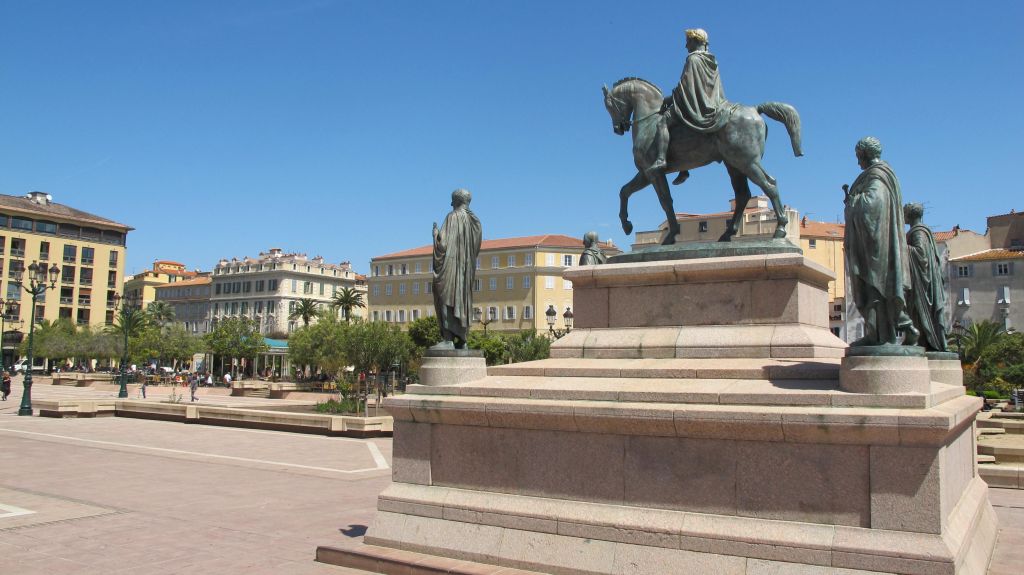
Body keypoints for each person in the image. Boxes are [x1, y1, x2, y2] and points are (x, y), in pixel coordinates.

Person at [843, 137, 918, 347]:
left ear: (865, 154)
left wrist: (852, 202)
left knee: (874, 288)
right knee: (877, 290)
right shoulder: (885, 175)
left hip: (876, 247)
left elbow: (872, 205)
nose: (858, 163)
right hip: (879, 243)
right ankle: (892, 330)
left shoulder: (877, 176)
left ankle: (879, 335)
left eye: (859, 158)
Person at [651, 28, 733, 184]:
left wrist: (669, 99)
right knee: (682, 130)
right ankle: (683, 168)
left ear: (695, 41)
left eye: (688, 41)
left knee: (662, 122)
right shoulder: (711, 60)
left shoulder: (693, 59)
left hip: (696, 103)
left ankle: (661, 159)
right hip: (713, 103)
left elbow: (686, 86)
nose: (686, 46)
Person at [430, 188, 483, 349]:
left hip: (451, 268)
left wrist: (435, 235)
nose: (450, 203)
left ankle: (448, 340)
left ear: (457, 201)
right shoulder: (475, 222)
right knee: (462, 300)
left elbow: (443, 245)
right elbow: (476, 248)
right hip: (466, 271)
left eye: (452, 200)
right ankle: (463, 341)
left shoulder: (452, 217)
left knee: (444, 296)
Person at [904, 203, 949, 351]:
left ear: (910, 215)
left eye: (904, 213)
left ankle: (925, 341)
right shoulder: (924, 231)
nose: (902, 216)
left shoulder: (918, 232)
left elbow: (920, 254)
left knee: (918, 311)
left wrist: (901, 247)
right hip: (923, 278)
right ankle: (925, 342)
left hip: (922, 283)